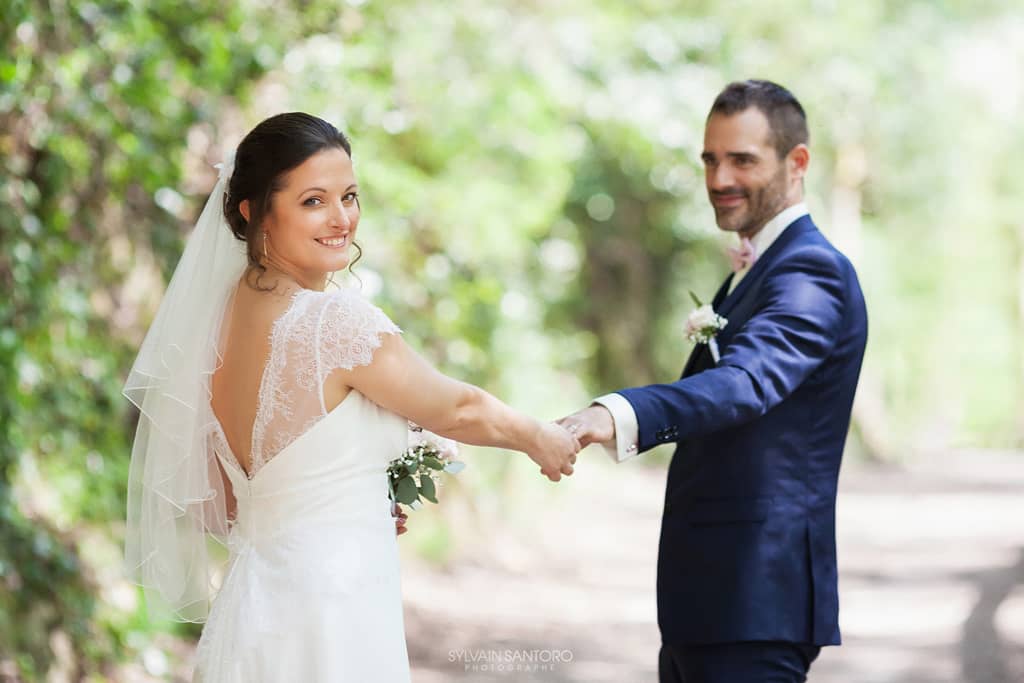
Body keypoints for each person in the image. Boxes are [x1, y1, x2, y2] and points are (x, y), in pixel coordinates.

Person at [122, 112, 580, 682]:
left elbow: (225, 498)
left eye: (350, 196)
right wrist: (539, 436)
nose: (342, 219)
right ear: (254, 211)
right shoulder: (331, 322)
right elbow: (457, 408)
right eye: (314, 201)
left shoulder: (214, 321)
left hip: (250, 608)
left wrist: (346, 505)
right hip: (330, 606)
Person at [559, 80, 868, 682]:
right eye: (710, 158)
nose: (719, 177)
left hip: (756, 601)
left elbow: (744, 382)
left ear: (797, 162)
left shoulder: (812, 271)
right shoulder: (763, 268)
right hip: (710, 604)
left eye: (742, 160)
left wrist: (617, 414)